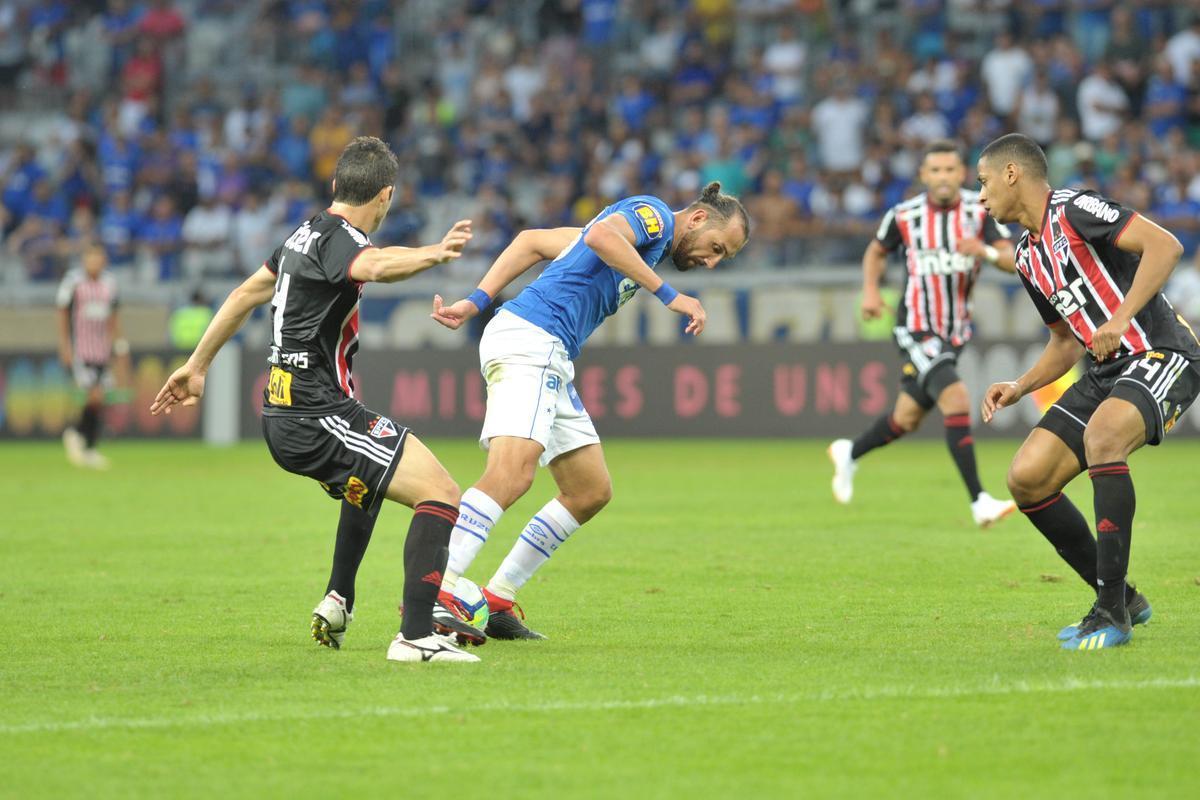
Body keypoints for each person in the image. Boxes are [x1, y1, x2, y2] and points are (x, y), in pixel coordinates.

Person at [150, 136, 481, 663]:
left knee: (365, 485)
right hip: (315, 413)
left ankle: (338, 599)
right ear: (385, 196)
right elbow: (374, 266)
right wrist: (433, 254)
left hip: (285, 412)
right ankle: (416, 637)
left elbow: (242, 296)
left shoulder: (302, 235)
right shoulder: (345, 241)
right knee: (441, 493)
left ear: (335, 184)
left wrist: (196, 365)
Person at [430, 181, 750, 639]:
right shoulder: (654, 216)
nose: (713, 261)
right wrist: (671, 296)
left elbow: (532, 242)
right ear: (698, 219)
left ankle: (498, 597)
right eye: (717, 247)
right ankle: (436, 589)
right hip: (532, 340)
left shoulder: (641, 244)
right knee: (512, 472)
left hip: (549, 351)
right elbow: (602, 237)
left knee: (588, 489)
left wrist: (475, 302)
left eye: (724, 258)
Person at [976, 133, 1200, 650]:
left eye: (984, 182)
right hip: (1104, 370)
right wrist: (1019, 385)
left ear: (1013, 173)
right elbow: (1064, 341)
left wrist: (1120, 319)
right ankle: (1127, 599)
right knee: (1027, 479)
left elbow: (1166, 246)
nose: (982, 197)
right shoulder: (1028, 255)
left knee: (1104, 439)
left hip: (1159, 353)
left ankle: (1111, 609)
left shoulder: (1074, 208)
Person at [828, 140, 1019, 527]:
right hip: (914, 326)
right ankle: (979, 500)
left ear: (962, 173)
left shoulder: (978, 210)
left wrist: (984, 252)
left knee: (907, 417)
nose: (944, 177)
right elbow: (876, 251)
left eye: (950, 169)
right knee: (956, 396)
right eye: (936, 171)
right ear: (924, 175)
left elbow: (1013, 259)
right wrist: (869, 289)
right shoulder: (904, 215)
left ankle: (849, 452)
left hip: (955, 332)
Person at [58, 241, 125, 469]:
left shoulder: (109, 283)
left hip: (103, 350)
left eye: (99, 257)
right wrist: (65, 346)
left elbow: (114, 318)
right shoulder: (73, 282)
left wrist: (119, 345)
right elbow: (62, 313)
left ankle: (88, 445)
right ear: (84, 260)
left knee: (100, 399)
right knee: (94, 395)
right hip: (82, 350)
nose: (95, 262)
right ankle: (76, 434)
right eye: (91, 258)